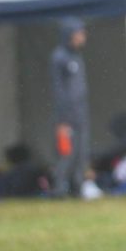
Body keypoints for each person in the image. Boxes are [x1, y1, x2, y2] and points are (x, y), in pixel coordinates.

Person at [50, 17, 91, 197]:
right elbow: (59, 91)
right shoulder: (59, 57)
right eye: (79, 33)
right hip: (67, 116)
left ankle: (78, 187)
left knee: (81, 152)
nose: (83, 37)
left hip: (80, 113)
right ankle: (60, 188)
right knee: (67, 153)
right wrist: (63, 120)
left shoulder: (76, 56)